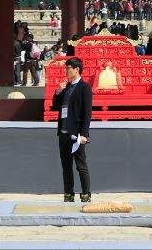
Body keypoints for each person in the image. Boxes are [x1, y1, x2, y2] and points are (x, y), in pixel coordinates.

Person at [54, 56, 92, 202]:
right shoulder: (66, 86)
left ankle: (85, 194)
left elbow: (87, 113)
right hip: (63, 132)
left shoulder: (84, 87)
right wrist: (58, 91)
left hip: (76, 134)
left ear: (77, 69)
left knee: (80, 165)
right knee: (66, 166)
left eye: (68, 68)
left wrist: (84, 134)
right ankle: (68, 194)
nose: (66, 71)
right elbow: (57, 106)